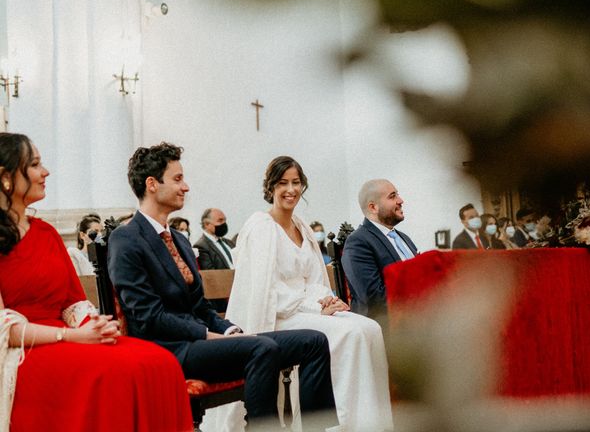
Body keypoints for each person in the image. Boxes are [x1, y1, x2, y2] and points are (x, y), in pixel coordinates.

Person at [107, 143, 338, 431]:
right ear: (152, 184)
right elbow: (147, 317)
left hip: (201, 340)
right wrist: (207, 335)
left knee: (313, 341)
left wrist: (228, 330)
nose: (186, 187)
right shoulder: (127, 239)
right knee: (261, 348)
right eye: (177, 179)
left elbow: (200, 306)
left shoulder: (178, 239)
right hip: (168, 348)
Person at [0, 132, 192, 431]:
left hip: (67, 336)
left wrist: (94, 323)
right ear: (6, 177)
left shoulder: (46, 234)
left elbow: (72, 301)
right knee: (113, 373)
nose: (45, 171)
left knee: (159, 362)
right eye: (35, 164)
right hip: (22, 348)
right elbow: (3, 329)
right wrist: (73, 337)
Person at [227, 157, 393, 432]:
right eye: (283, 183)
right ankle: (338, 426)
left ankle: (372, 425)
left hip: (306, 310)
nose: (290, 189)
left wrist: (327, 299)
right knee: (349, 334)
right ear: (270, 188)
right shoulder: (261, 226)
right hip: (278, 317)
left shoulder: (302, 227)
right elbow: (267, 292)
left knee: (370, 328)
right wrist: (316, 308)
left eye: (296, 182)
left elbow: (314, 279)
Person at [341, 179, 418, 321]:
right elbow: (373, 299)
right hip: (388, 325)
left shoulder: (404, 238)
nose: (400, 200)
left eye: (398, 195)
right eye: (392, 196)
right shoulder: (358, 242)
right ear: (373, 207)